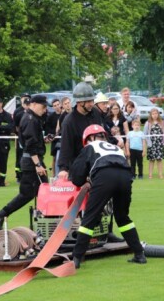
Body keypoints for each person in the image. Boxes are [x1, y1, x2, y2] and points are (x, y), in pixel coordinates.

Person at [70, 124, 146, 269]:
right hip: (125, 177)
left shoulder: (89, 147)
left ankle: (76, 259)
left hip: (104, 177)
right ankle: (139, 254)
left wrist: (86, 180)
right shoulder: (117, 148)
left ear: (89, 138)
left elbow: (77, 178)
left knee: (90, 218)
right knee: (122, 217)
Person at [57, 81, 124, 243]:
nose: (91, 103)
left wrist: (114, 142)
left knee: (108, 197)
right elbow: (65, 148)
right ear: (79, 103)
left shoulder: (95, 114)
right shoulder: (69, 121)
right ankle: (83, 235)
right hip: (80, 166)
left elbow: (102, 134)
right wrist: (64, 169)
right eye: (88, 101)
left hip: (98, 163)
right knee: (88, 203)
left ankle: (106, 231)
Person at [0, 95, 49, 229]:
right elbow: (30, 144)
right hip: (32, 162)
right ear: (33, 104)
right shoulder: (30, 119)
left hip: (31, 160)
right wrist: (38, 164)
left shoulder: (31, 118)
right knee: (32, 193)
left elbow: (31, 140)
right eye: (43, 106)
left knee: (38, 193)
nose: (45, 110)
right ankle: (1, 213)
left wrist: (43, 140)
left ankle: (42, 224)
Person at [144, 108, 164, 179]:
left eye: (156, 113)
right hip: (151, 144)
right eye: (153, 114)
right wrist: (148, 143)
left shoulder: (162, 122)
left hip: (160, 144)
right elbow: (145, 134)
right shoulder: (148, 123)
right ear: (151, 115)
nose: (155, 115)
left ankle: (160, 174)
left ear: (158, 114)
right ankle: (150, 175)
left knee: (159, 159)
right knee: (152, 160)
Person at [13, 94, 31, 182]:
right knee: (20, 156)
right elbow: (16, 126)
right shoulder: (18, 112)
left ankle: (28, 175)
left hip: (30, 138)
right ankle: (19, 175)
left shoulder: (33, 114)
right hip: (21, 138)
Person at [46, 98, 62, 177]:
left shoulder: (64, 114)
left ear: (60, 104)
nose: (56, 107)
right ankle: (54, 175)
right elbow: (48, 129)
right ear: (53, 107)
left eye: (57, 105)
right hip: (55, 140)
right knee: (55, 158)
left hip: (64, 139)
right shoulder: (51, 116)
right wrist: (54, 135)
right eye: (54, 106)